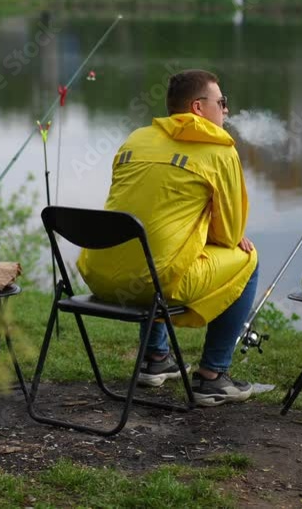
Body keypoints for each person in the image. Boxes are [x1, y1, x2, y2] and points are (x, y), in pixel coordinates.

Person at [77, 69, 259, 406]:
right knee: (248, 258)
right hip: (153, 284)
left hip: (99, 277)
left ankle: (155, 358)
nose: (227, 110)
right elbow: (230, 235)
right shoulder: (220, 151)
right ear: (198, 108)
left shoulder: (136, 139)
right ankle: (212, 377)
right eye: (222, 102)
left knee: (158, 249)